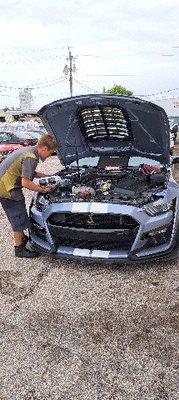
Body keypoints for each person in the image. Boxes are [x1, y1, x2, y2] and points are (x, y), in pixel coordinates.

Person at [0, 133, 58, 258]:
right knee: (18, 216)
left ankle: (22, 238)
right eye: (50, 152)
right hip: (7, 188)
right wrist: (43, 190)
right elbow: (25, 182)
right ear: (44, 148)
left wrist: (48, 176)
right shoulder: (31, 157)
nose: (49, 156)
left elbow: (32, 172)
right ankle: (19, 248)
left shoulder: (30, 151)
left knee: (19, 213)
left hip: (5, 183)